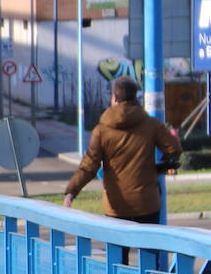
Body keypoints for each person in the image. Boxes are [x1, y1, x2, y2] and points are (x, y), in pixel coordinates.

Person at [63, 76, 180, 228]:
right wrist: (161, 167)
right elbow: (174, 148)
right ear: (135, 97)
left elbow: (89, 166)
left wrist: (71, 192)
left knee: (117, 251)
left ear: (114, 98)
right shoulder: (151, 125)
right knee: (149, 250)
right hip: (147, 203)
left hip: (116, 206)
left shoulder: (102, 131)